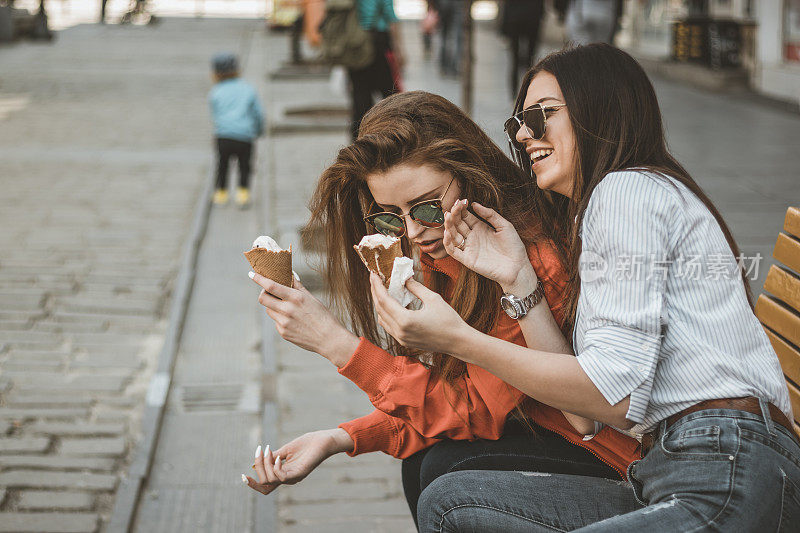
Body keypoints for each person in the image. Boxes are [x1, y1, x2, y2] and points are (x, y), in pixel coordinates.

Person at [365, 45, 800, 531]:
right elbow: (584, 418)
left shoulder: (624, 191)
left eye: (543, 115)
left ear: (601, 110)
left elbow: (611, 400)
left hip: (724, 467)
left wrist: (458, 340)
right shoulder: (609, 207)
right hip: (674, 468)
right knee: (449, 501)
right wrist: (518, 280)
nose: (526, 134)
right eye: (520, 122)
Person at [242, 91, 641, 526]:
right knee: (427, 465)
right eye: (391, 215)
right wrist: (341, 437)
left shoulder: (524, 257)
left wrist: (336, 345)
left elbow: (469, 410)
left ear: (469, 175)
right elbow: (444, 399)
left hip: (607, 453)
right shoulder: (437, 254)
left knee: (441, 476)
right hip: (545, 429)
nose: (414, 230)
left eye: (428, 205)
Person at [208, 53, 264, 207]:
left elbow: (216, 114)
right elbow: (258, 113)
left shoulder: (216, 91)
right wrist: (259, 130)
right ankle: (243, 194)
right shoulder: (247, 89)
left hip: (224, 135)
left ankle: (221, 193)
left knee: (222, 165)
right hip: (245, 136)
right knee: (245, 165)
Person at [347, 0, 405, 141]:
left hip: (354, 43)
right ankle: (394, 136)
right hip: (377, 42)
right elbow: (390, 17)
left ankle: (360, 140)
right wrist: (399, 50)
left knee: (360, 94)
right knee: (390, 95)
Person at [500, 0, 545, 97]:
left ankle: (515, 95)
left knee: (517, 60)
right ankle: (525, 93)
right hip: (532, 16)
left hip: (517, 17)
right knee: (529, 60)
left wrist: (503, 27)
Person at [436, 0, 463, 76]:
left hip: (444, 4)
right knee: (455, 36)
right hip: (456, 4)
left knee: (444, 35)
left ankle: (444, 66)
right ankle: (452, 66)